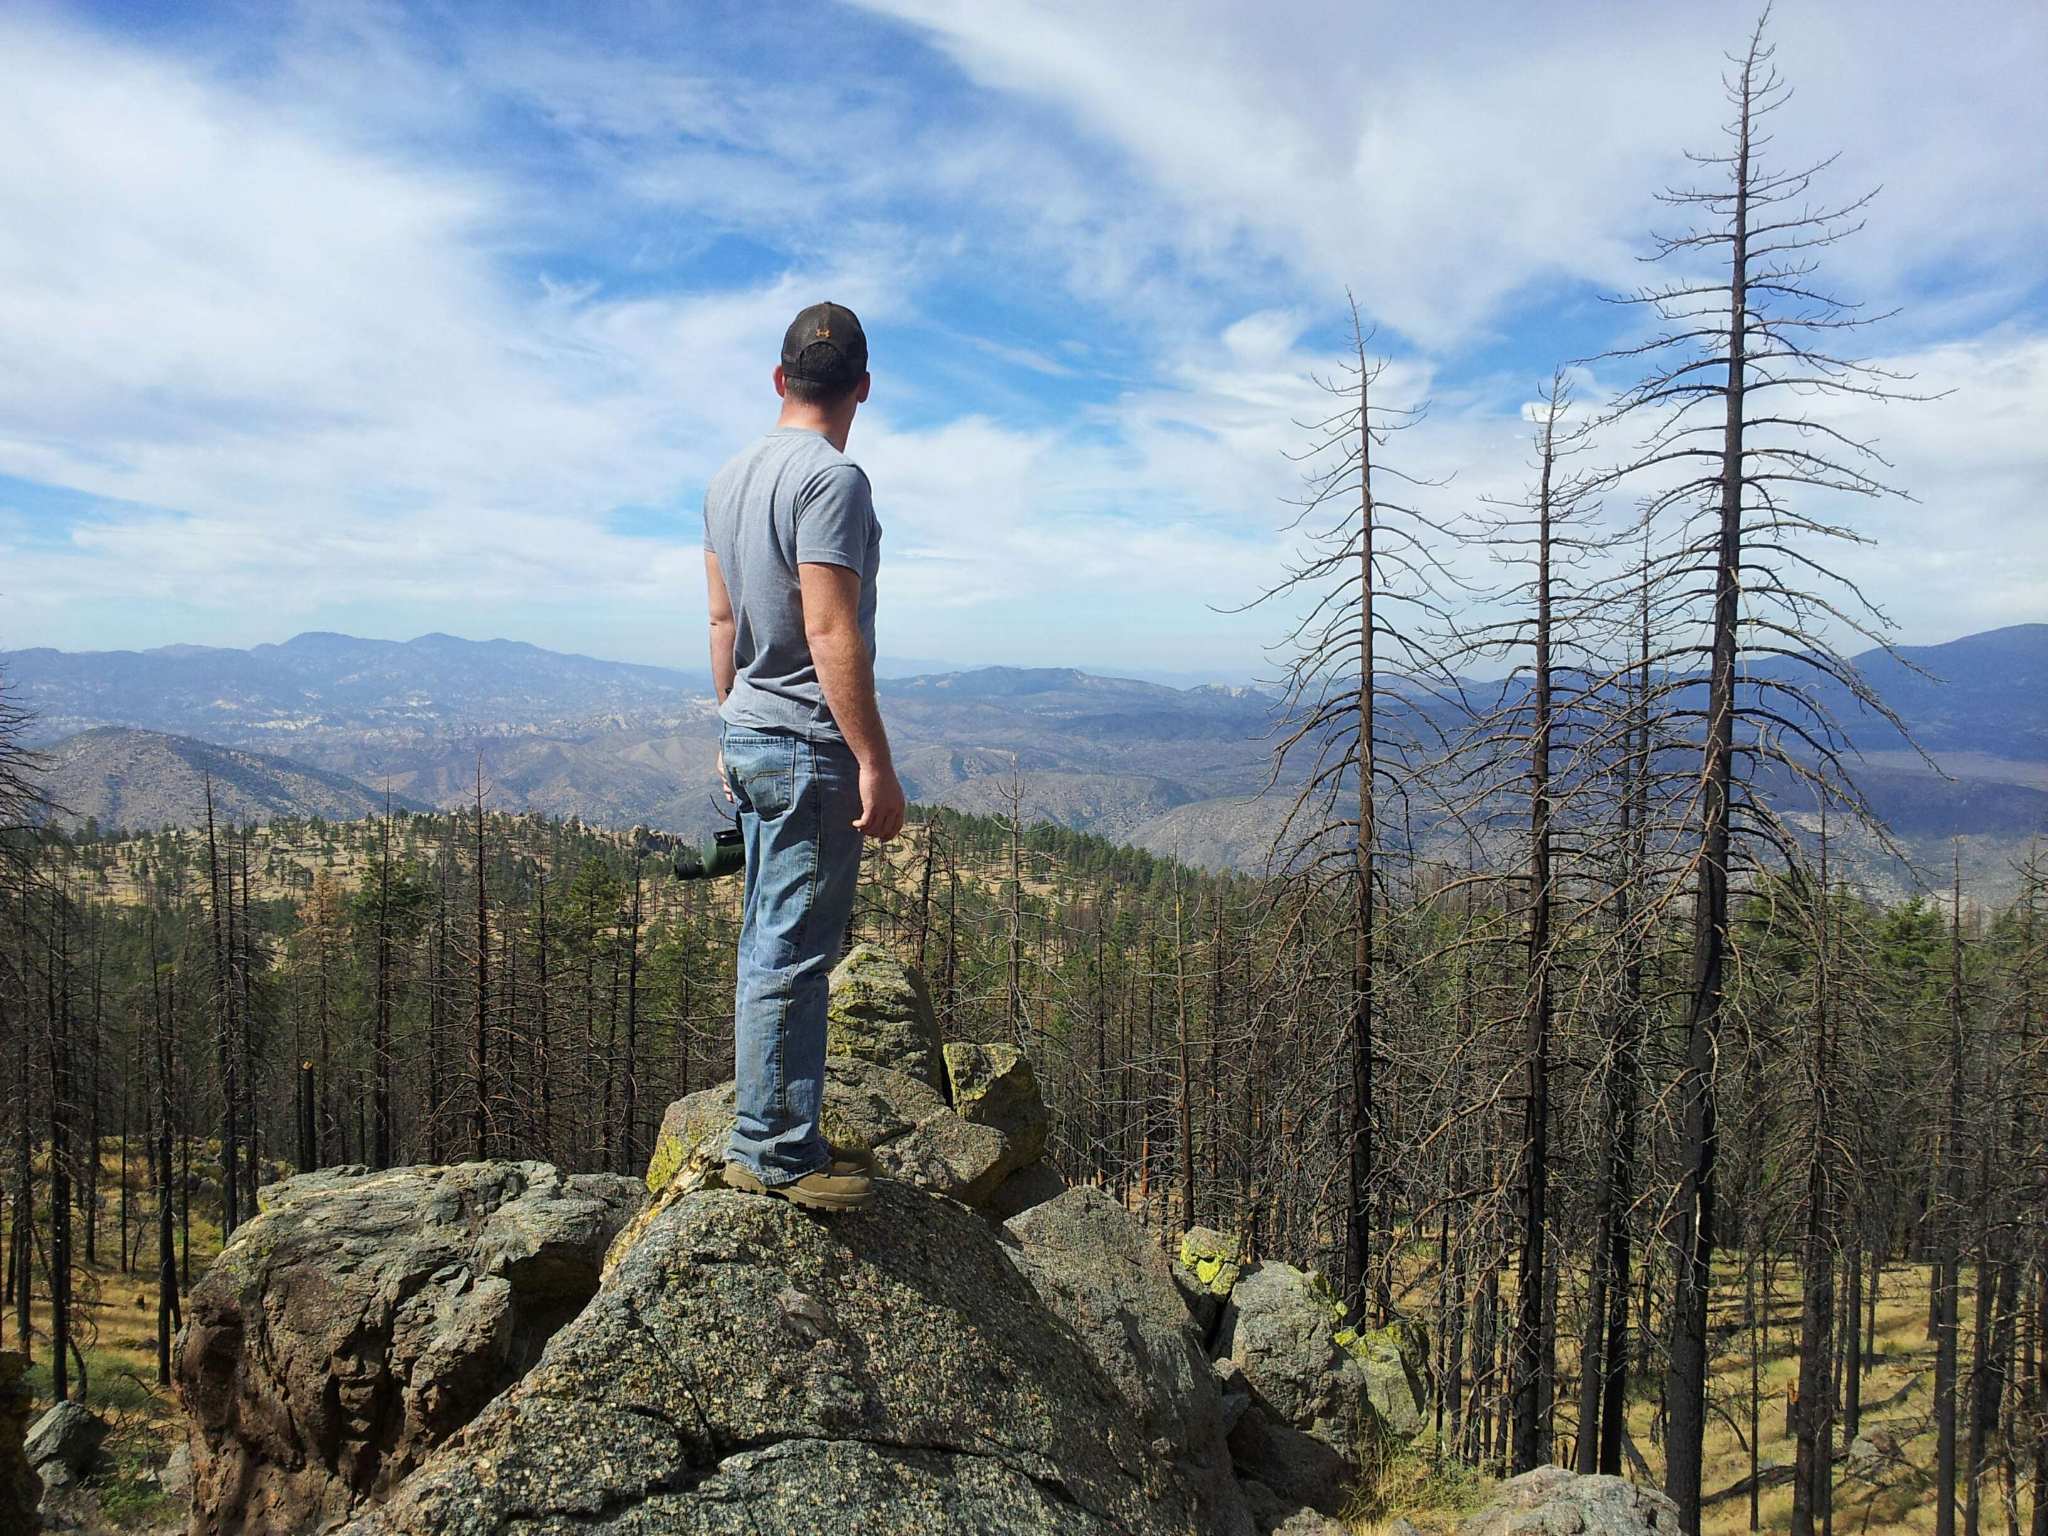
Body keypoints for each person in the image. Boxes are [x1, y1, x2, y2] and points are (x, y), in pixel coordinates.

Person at [700, 301, 906, 1211]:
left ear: (780, 380)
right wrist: (874, 760)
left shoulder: (728, 480)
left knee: (765, 940)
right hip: (806, 743)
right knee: (791, 953)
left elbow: (720, 619)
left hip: (751, 730)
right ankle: (778, 1152)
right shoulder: (835, 480)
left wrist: (730, 719)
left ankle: (776, 1128)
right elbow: (829, 629)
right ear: (861, 387)